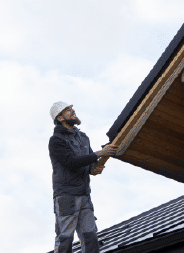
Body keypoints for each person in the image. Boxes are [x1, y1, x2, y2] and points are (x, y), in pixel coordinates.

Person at [48, 101, 117, 253]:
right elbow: (71, 163)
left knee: (90, 236)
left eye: (71, 108)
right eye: (67, 110)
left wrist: (94, 169)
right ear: (60, 118)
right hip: (66, 196)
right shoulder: (56, 140)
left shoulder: (83, 138)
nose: (72, 111)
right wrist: (99, 154)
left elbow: (88, 162)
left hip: (85, 194)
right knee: (65, 239)